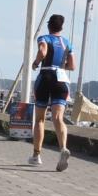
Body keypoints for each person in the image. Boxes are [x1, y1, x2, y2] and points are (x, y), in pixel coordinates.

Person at [28, 14, 76, 171]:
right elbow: (72, 65)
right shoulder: (67, 43)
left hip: (46, 77)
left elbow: (42, 52)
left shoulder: (44, 38)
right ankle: (63, 148)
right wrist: (61, 66)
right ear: (61, 28)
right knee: (58, 118)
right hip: (61, 79)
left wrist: (35, 63)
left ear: (49, 26)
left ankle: (36, 156)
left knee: (40, 119)